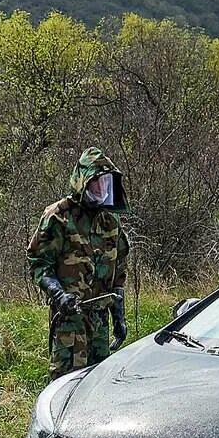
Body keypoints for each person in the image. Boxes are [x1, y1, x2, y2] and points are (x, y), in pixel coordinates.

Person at [28, 148, 131, 378]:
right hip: (69, 321)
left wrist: (119, 316)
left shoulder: (110, 222)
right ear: (83, 182)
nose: (102, 189)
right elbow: (39, 262)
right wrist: (58, 295)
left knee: (98, 386)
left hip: (100, 323)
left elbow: (118, 273)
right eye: (96, 182)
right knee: (65, 385)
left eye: (106, 182)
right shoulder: (58, 217)